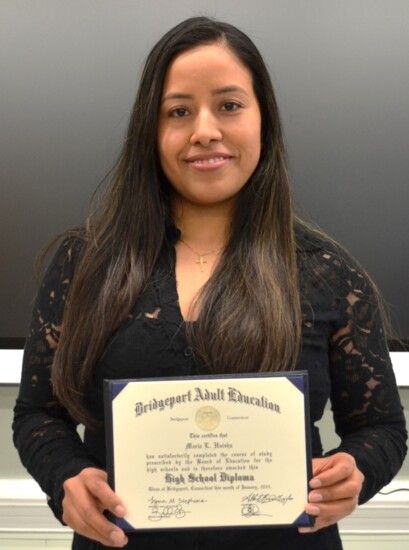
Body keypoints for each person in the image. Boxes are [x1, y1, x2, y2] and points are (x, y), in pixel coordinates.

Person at [13, 16, 407, 550]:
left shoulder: (329, 273)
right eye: (178, 111)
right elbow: (39, 413)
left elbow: (382, 427)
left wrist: (358, 470)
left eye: (229, 105)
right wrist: (64, 477)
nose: (204, 130)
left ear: (263, 119)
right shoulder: (83, 264)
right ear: (150, 132)